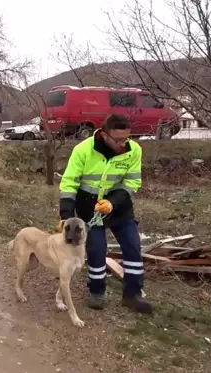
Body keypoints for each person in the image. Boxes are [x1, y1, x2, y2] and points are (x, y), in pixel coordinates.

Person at [59, 114, 153, 314]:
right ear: (104, 135)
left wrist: (113, 202)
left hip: (119, 207)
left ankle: (132, 294)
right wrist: (66, 216)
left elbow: (132, 182)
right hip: (89, 209)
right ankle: (96, 292)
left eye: (126, 139)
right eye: (117, 140)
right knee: (96, 249)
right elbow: (69, 184)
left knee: (132, 246)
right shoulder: (83, 150)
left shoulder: (134, 150)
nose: (122, 144)